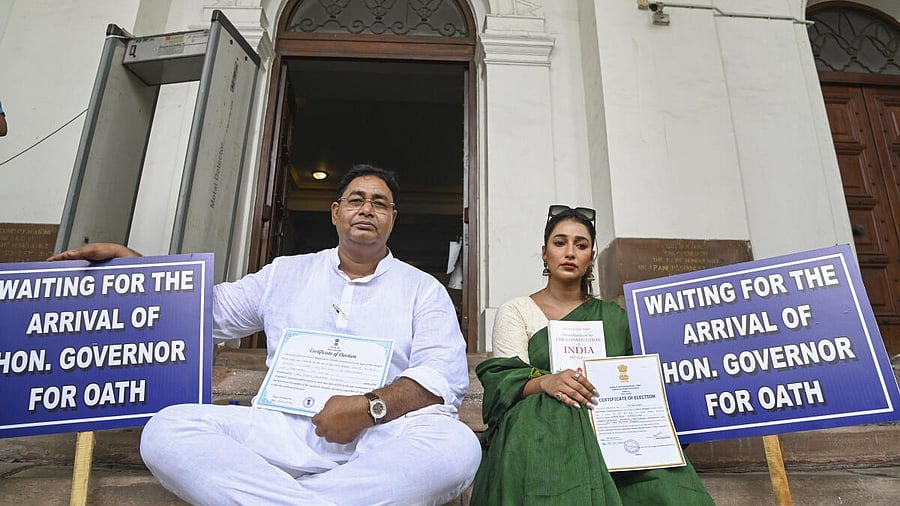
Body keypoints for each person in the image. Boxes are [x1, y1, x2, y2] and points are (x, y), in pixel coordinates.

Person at [49, 164, 481, 505]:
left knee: (456, 446)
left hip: (379, 440)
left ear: (392, 220)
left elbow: (443, 378)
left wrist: (368, 408)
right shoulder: (285, 273)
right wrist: (136, 267)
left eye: (380, 204)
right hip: (281, 431)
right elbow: (203, 314)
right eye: (356, 200)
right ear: (336, 212)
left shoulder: (422, 288)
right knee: (168, 429)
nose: (367, 209)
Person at [469, 204, 713, 505]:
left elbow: (633, 376)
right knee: (555, 413)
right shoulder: (517, 310)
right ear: (545, 253)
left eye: (581, 245)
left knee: (661, 475)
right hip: (541, 424)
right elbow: (506, 378)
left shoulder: (614, 317)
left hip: (610, 420)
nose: (570, 252)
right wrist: (548, 383)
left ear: (591, 257)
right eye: (560, 243)